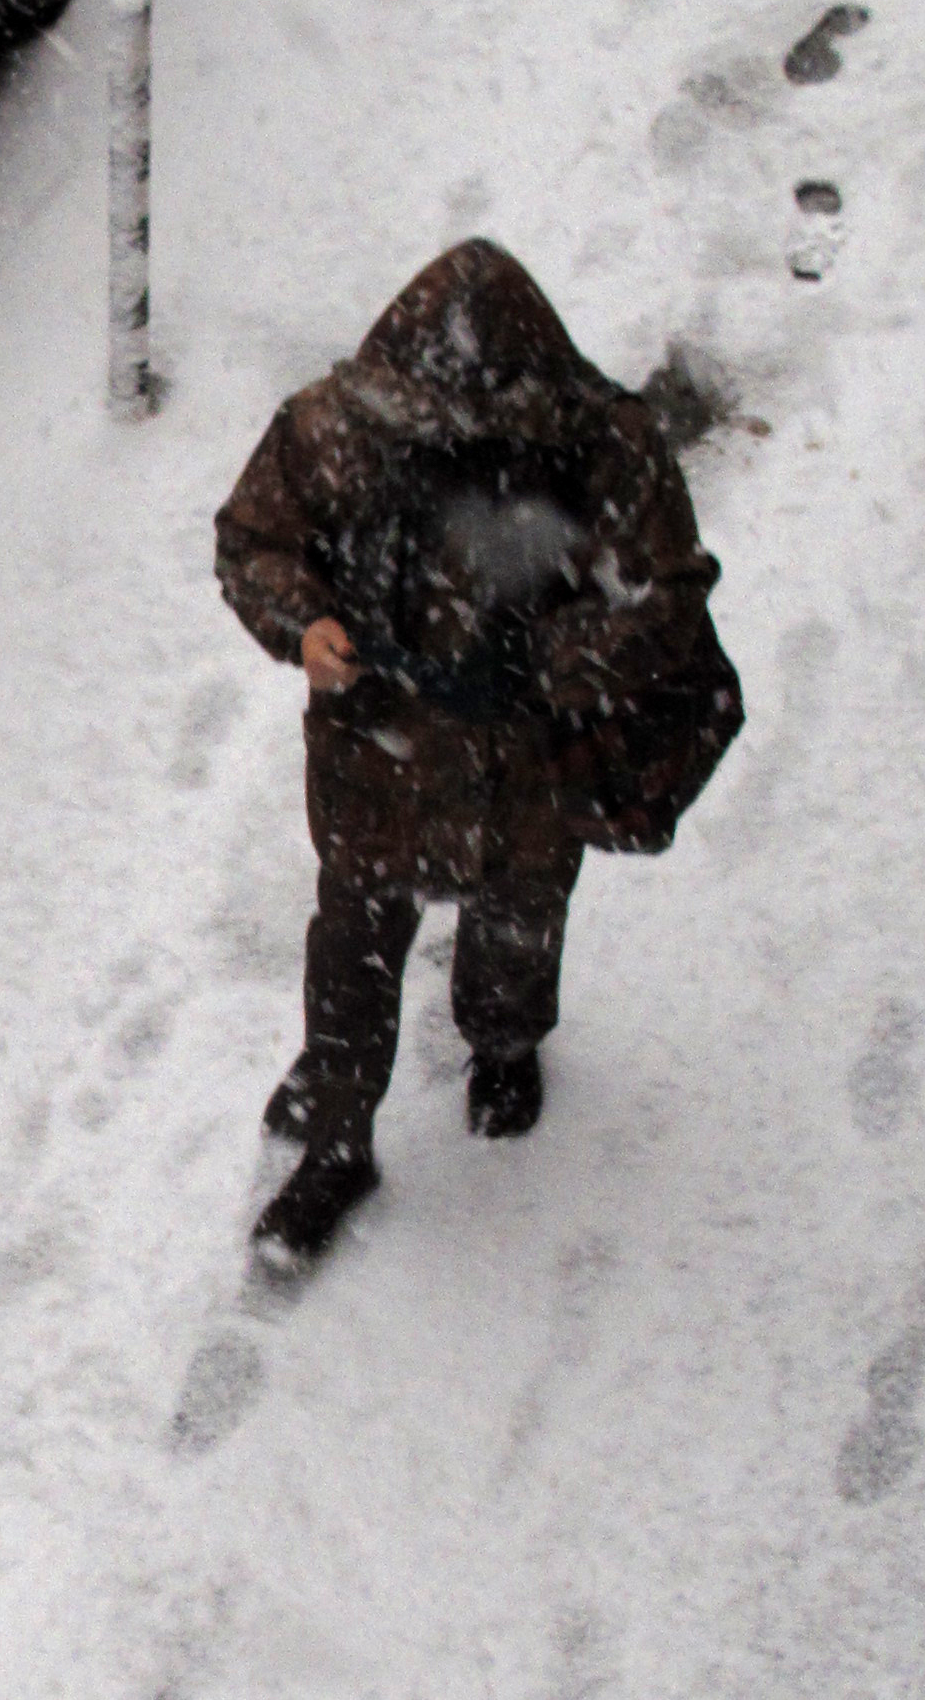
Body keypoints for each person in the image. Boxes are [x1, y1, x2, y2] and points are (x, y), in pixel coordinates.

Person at [214, 239, 728, 1270]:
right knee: (353, 952)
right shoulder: (333, 433)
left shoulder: (604, 448)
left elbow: (667, 599)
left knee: (516, 926)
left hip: (526, 776)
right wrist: (305, 623)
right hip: (378, 768)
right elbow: (252, 544)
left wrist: (546, 657)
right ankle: (338, 1138)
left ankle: (503, 1046)